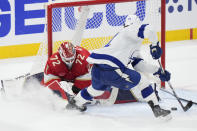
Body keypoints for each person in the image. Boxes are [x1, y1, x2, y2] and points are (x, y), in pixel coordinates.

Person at [66, 15, 172, 120]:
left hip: (97, 69)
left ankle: (75, 103)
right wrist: (155, 45)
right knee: (143, 81)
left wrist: (157, 71)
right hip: (111, 69)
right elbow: (150, 29)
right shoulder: (130, 30)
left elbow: (139, 65)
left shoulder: (128, 43)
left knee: (96, 90)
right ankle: (157, 110)